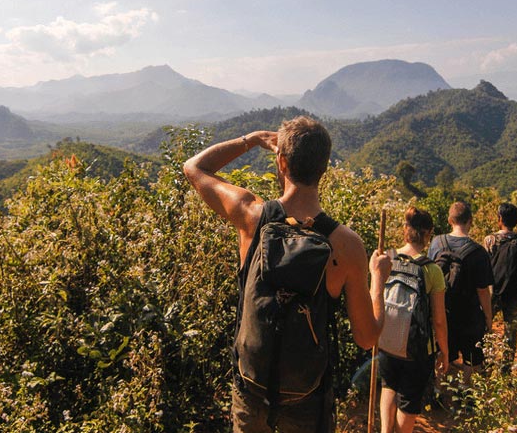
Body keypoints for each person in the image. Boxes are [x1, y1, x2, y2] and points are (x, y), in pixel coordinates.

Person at [183, 116, 392, 432]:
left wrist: (250, 140)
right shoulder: (347, 245)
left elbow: (194, 168)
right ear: (324, 169)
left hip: (250, 392)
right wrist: (378, 280)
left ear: (281, 162)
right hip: (307, 401)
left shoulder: (252, 217)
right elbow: (367, 338)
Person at [379, 207, 449, 433]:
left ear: (404, 230)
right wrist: (444, 351)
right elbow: (439, 320)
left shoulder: (387, 257)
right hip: (416, 348)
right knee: (409, 397)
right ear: (428, 234)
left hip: (386, 339)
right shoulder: (432, 270)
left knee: (388, 385)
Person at [427, 202, 493, 391]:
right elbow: (483, 291)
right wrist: (488, 318)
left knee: (441, 349)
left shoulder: (437, 243)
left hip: (442, 309)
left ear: (449, 220)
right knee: (471, 355)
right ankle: (465, 389)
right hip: (469, 314)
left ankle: (438, 390)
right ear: (470, 221)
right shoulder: (479, 252)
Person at [483, 202, 517, 372]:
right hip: (514, 291)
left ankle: (486, 362)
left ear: (500, 218)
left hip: (493, 290)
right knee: (511, 329)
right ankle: (506, 368)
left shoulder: (490, 239)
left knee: (487, 325)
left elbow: (486, 264)